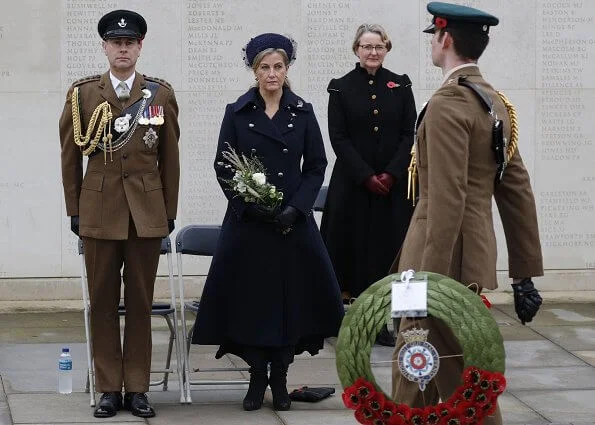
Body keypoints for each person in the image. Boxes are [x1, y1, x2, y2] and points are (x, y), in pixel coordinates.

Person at [389, 3, 543, 425]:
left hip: (439, 260)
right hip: (468, 256)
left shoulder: (449, 103)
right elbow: (515, 188)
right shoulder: (494, 104)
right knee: (415, 363)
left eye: (433, 37)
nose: (431, 45)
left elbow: (447, 197)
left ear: (446, 39)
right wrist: (523, 273)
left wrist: (428, 282)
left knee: (450, 370)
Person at [191, 33, 344, 412]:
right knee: (251, 302)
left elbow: (317, 167)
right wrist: (250, 205)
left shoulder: (303, 112)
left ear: (287, 69)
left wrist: (297, 208)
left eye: (278, 67)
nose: (271, 74)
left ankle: (280, 377)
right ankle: (257, 378)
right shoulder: (238, 111)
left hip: (292, 224)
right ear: (254, 70)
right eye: (264, 67)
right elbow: (224, 165)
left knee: (291, 302)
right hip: (250, 224)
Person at [59, 9, 180, 418]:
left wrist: (168, 212)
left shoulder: (158, 94)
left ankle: (139, 388)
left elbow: (169, 158)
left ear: (140, 47)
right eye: (116, 42)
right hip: (99, 211)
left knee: (142, 303)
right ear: (106, 47)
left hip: (145, 213)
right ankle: (110, 387)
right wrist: (74, 208)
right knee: (103, 302)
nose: (123, 48)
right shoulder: (83, 95)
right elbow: (69, 157)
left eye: (130, 42)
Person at [320, 24, 416, 346]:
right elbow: (339, 138)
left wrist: (390, 173)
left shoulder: (401, 86)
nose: (372, 52)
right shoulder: (340, 88)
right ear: (356, 50)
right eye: (366, 46)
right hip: (352, 186)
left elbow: (408, 134)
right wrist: (366, 176)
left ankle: (384, 322)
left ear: (386, 48)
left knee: (388, 251)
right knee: (354, 250)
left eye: (378, 46)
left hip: (393, 188)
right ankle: (349, 319)